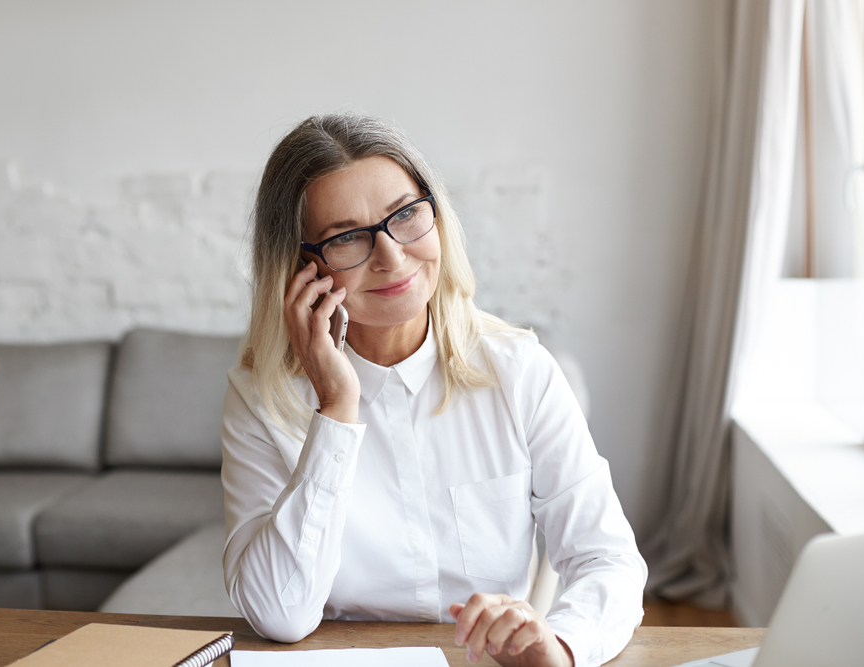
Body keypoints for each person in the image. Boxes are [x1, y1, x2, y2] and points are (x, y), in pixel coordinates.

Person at [221, 114, 647, 667]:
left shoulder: (520, 372)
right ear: (303, 267)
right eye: (346, 237)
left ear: (435, 214)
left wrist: (562, 645)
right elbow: (278, 613)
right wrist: (337, 409)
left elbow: (609, 559)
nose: (392, 256)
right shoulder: (260, 399)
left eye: (404, 215)